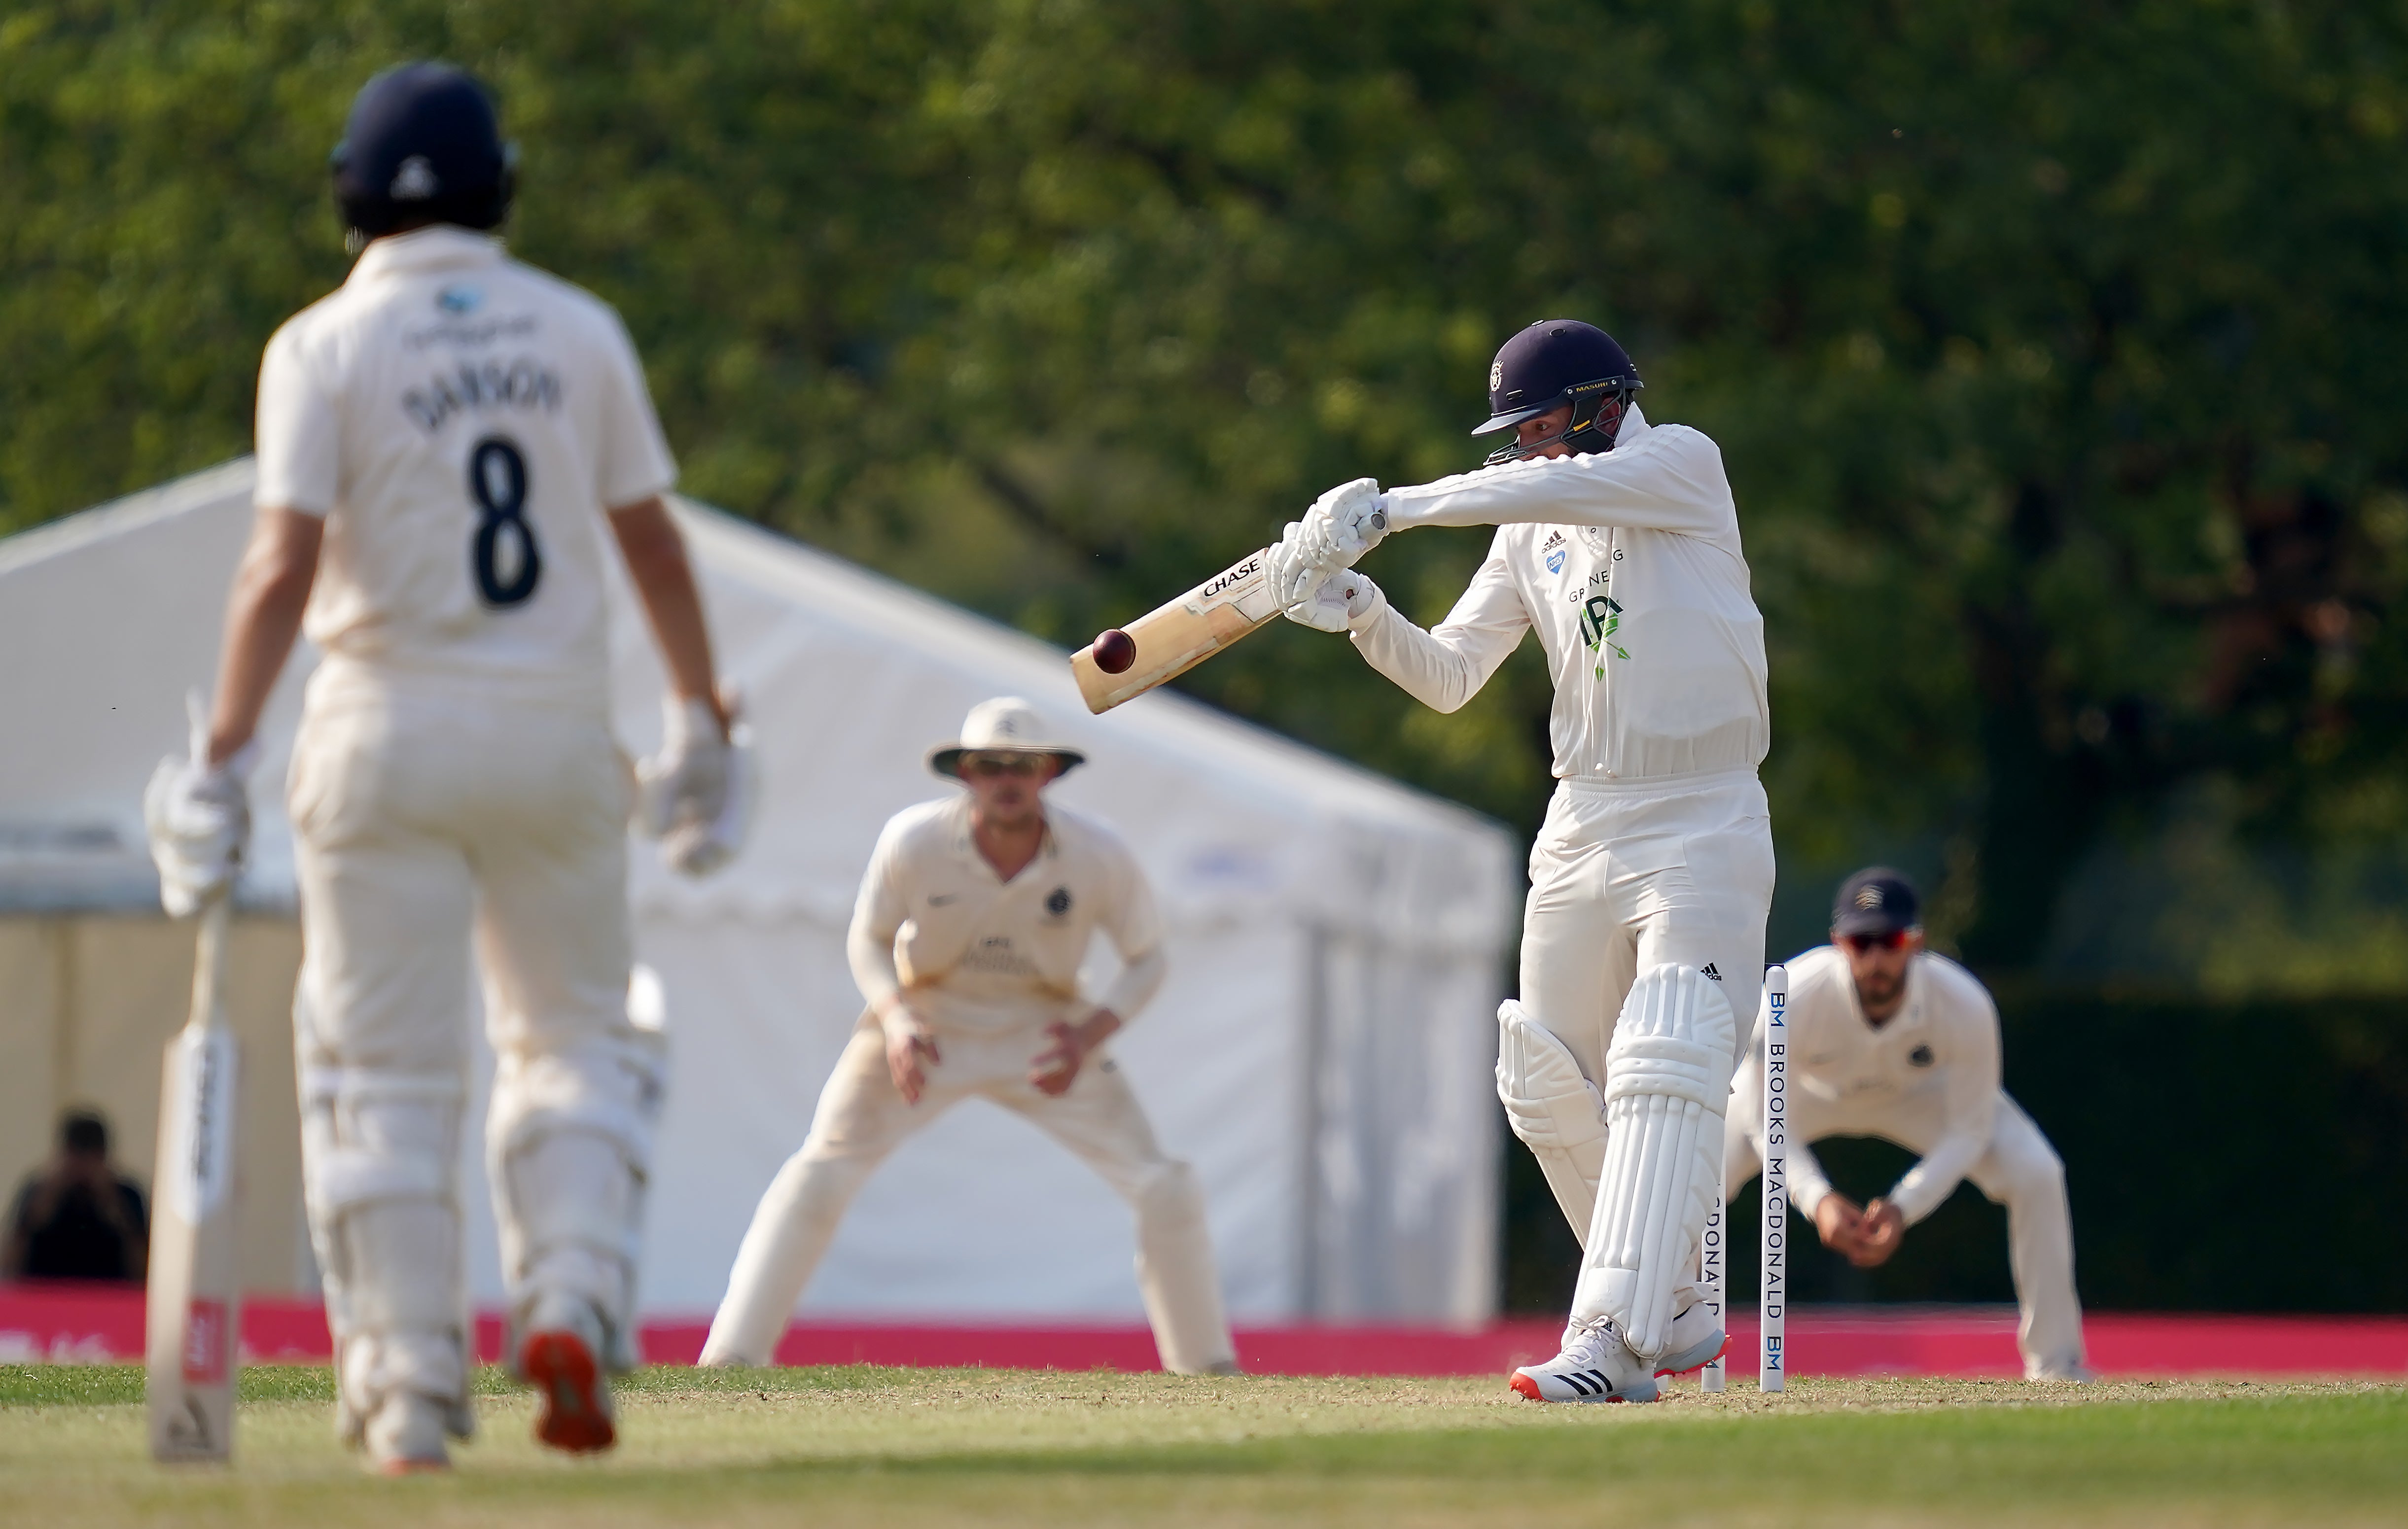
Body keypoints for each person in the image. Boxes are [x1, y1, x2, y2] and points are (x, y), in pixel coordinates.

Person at [141, 62, 745, 1471]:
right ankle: (574, 1291)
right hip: (553, 733)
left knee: (381, 1071)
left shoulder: (318, 347)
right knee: (573, 1036)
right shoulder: (577, 330)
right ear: (501, 184)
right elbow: (652, 541)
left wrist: (218, 755)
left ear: (351, 193)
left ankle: (410, 1386)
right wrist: (705, 719)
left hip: (380, 734)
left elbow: (281, 563)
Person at [1268, 319, 1771, 1401]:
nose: (1530, 448)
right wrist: (1361, 610)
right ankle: (1671, 1302)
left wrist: (1391, 509)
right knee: (1542, 1077)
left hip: (1702, 813)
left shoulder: (1681, 464)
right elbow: (1451, 676)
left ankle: (1611, 1344)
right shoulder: (1530, 521)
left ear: (1600, 405)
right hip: (1584, 815)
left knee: (1668, 1055)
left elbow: (1520, 496)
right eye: (1518, 432)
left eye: (1542, 424)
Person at [700, 697, 1238, 1375]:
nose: (1006, 779)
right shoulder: (914, 841)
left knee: (1165, 1186)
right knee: (820, 1170)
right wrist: (896, 1018)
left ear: (1048, 774)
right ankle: (732, 1357)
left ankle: (1209, 1371)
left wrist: (1087, 1037)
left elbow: (1149, 956)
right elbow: (868, 938)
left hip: (1047, 1034)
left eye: (1022, 765)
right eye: (989, 765)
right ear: (964, 772)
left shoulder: (1097, 852)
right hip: (929, 1027)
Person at [1728, 869, 2090, 1381]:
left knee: (2037, 1172)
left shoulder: (1964, 1003)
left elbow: (1970, 1128)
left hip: (1920, 1098)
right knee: (1696, 1168)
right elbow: (1763, 1117)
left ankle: (2057, 1364)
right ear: (1839, 943)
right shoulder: (1792, 995)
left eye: (1891, 941)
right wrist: (1817, 1199)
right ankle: (1649, 1344)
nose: (1876, 959)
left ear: (1916, 943)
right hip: (1805, 1098)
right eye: (1861, 942)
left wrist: (1903, 1206)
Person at [3, 1111, 148, 1283]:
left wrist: (114, 1207)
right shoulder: (38, 1191)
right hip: (43, 1297)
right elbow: (8, 1268)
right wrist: (41, 1208)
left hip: (109, 1298)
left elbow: (144, 1272)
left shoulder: (127, 1194)